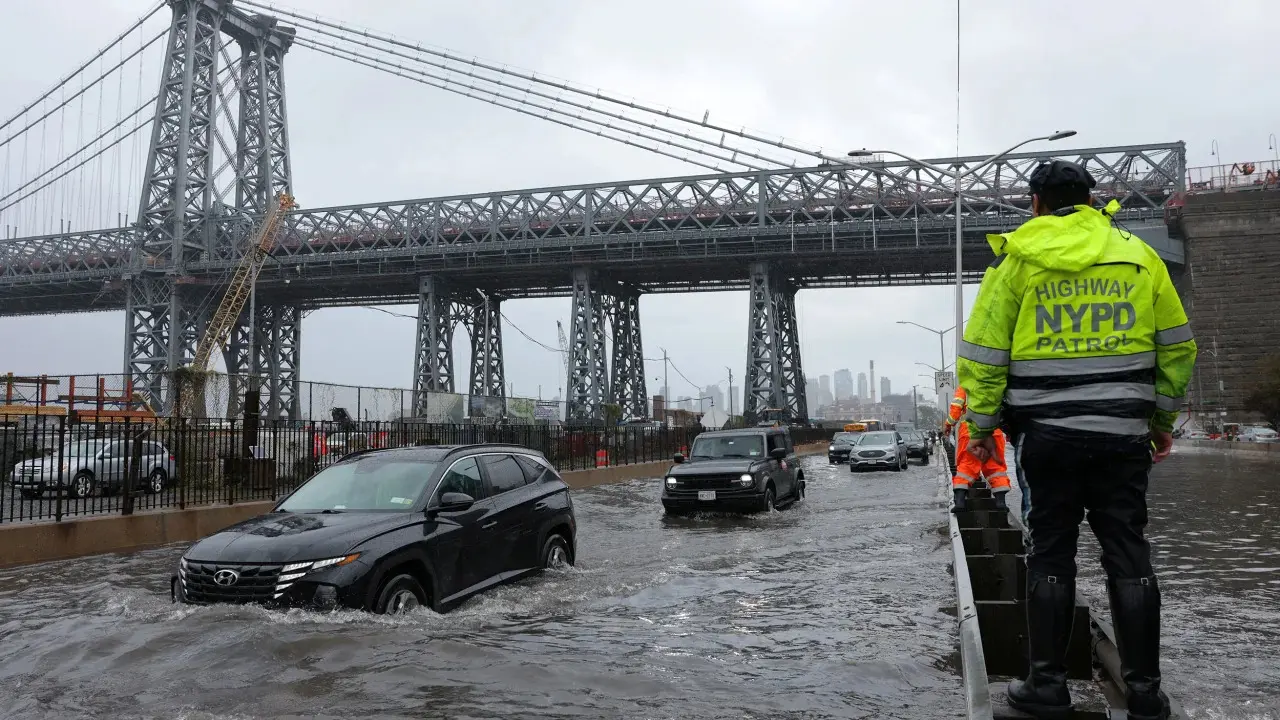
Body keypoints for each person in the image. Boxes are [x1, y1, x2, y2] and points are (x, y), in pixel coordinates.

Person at [957, 159, 1196, 719]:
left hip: (1047, 440)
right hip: (1122, 438)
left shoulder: (1016, 261)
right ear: (1092, 201)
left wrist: (985, 429)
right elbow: (1178, 348)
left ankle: (1047, 688)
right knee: (1129, 555)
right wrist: (1160, 423)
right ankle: (1144, 693)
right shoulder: (1139, 257)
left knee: (1050, 557)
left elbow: (985, 358)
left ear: (1034, 203)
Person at [943, 385, 1010, 511]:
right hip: (993, 431)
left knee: (966, 466)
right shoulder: (996, 383)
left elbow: (956, 409)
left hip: (970, 432)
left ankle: (960, 503)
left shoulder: (965, 386)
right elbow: (1008, 408)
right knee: (995, 468)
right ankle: (1001, 503)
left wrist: (948, 424)